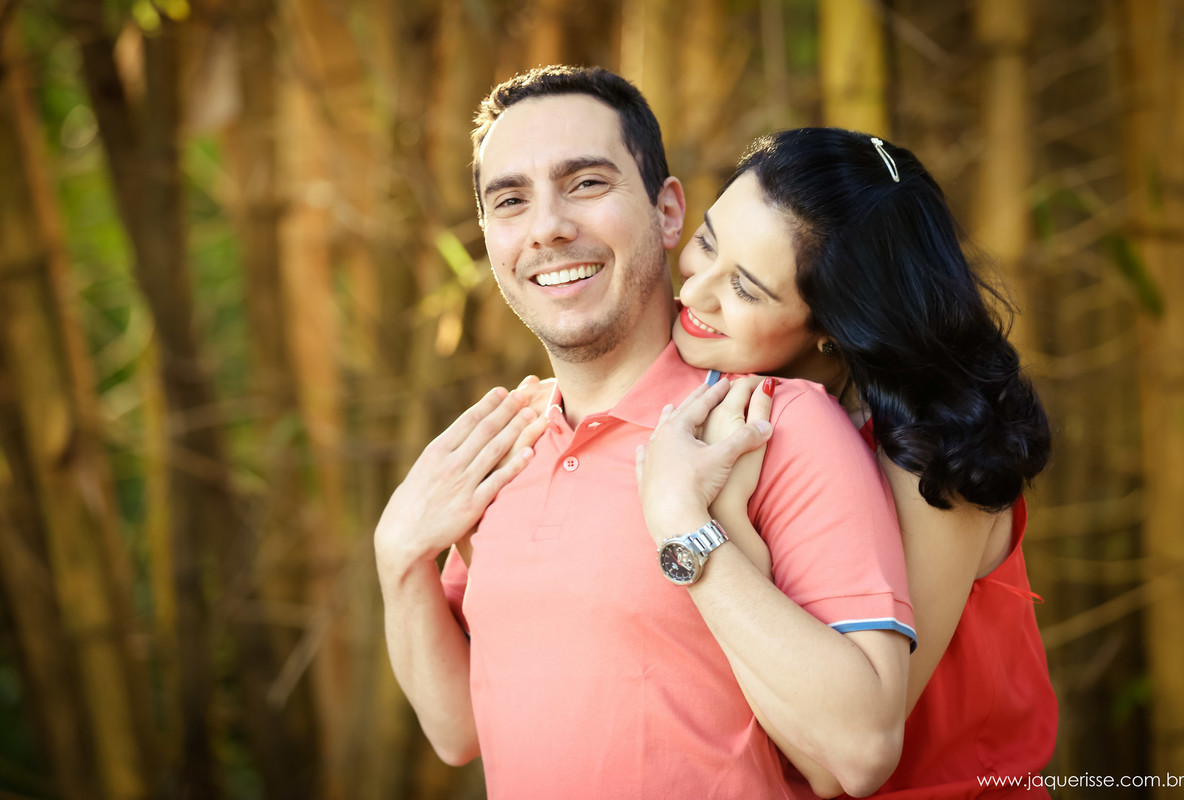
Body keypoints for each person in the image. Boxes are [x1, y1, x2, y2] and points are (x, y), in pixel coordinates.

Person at [374, 65, 917, 800]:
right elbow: (459, 729)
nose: (548, 227)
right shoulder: (506, 446)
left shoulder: (771, 425)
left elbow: (861, 749)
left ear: (668, 213)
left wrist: (685, 529)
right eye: (511, 200)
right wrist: (400, 558)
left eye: (587, 184)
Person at [642, 126, 1057, 797]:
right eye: (708, 242)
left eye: (746, 289)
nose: (693, 294)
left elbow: (837, 755)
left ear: (835, 323)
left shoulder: (934, 459)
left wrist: (699, 522)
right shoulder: (738, 398)